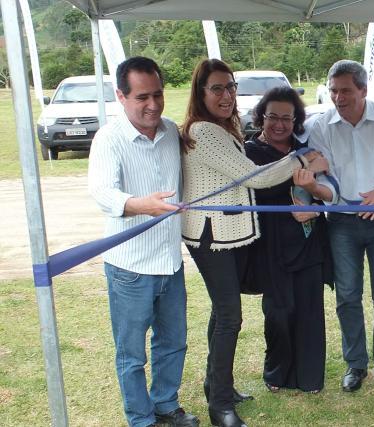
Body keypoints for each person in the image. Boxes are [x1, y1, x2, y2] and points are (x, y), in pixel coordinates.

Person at [180, 59, 327, 427]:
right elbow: (255, 178)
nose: (226, 95)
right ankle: (221, 407)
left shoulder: (218, 129)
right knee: (230, 316)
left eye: (230, 87)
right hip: (210, 234)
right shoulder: (204, 131)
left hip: (224, 234)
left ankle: (218, 388)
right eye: (217, 88)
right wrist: (303, 157)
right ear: (200, 93)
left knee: (221, 313)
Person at [88, 56, 199, 427]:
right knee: (131, 354)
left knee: (174, 343)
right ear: (120, 96)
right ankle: (141, 418)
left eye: (158, 95)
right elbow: (103, 193)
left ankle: (166, 405)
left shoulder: (171, 131)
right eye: (141, 98)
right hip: (129, 268)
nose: (152, 105)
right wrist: (141, 206)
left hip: (170, 261)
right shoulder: (109, 138)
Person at [309, 60, 374, 397]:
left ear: (364, 90)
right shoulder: (319, 126)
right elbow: (318, 176)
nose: (338, 97)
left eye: (346, 91)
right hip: (340, 221)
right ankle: (356, 365)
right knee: (348, 296)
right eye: (333, 90)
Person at [244, 86, 332, 394]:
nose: (279, 124)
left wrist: (314, 207)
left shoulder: (305, 149)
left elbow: (327, 188)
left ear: (296, 120)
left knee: (309, 310)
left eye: (287, 118)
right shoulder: (250, 151)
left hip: (307, 242)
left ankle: (309, 377)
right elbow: (262, 188)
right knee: (279, 312)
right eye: (272, 117)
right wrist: (305, 166)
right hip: (270, 245)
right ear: (261, 118)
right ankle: (277, 373)